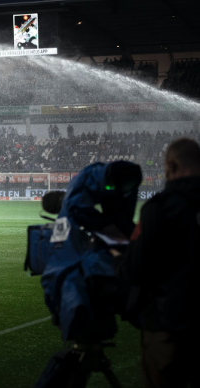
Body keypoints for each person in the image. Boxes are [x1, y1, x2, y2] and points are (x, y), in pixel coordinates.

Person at [112, 137, 200, 388]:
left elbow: (135, 269)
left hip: (170, 325)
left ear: (170, 166)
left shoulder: (160, 208)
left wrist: (117, 261)